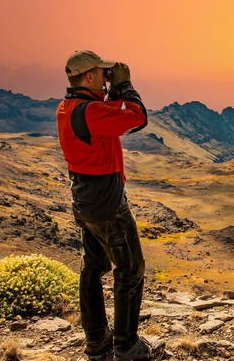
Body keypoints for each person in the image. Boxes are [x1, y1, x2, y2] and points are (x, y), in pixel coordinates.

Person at [56, 50, 164, 360]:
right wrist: (126, 85)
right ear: (87, 77)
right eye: (102, 73)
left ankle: (97, 341)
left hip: (85, 201)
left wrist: (113, 92)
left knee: (92, 269)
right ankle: (127, 347)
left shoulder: (68, 108)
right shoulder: (89, 112)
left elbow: (109, 113)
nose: (106, 77)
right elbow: (137, 117)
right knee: (130, 268)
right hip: (108, 203)